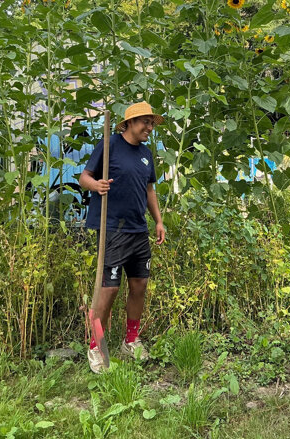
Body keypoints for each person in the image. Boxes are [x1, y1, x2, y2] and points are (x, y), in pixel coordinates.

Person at [78, 102, 166, 374]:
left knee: (139, 284)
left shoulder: (146, 154)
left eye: (152, 124)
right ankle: (96, 346)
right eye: (146, 123)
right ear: (129, 122)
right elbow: (84, 177)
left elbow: (149, 189)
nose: (150, 129)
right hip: (112, 229)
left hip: (139, 230)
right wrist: (96, 185)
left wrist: (158, 221)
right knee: (109, 289)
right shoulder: (110, 145)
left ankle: (131, 341)